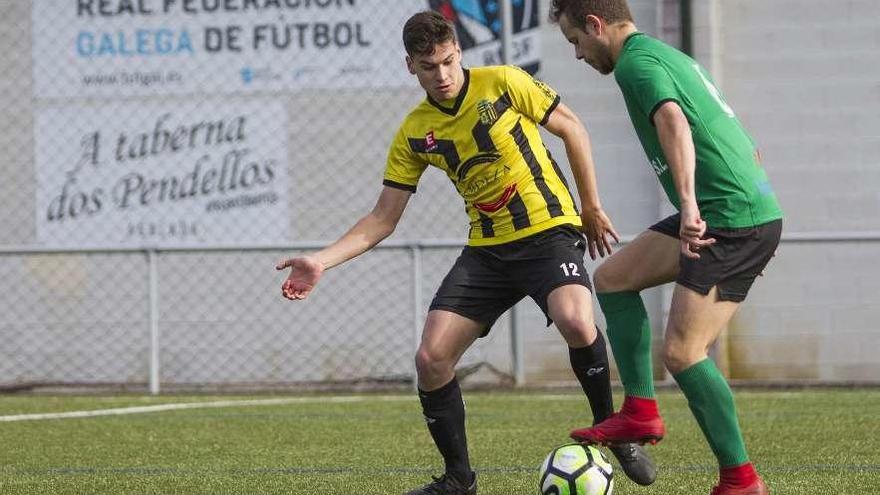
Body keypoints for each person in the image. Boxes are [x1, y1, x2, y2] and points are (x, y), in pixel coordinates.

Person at [276, 9, 656, 495]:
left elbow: (573, 128)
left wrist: (591, 207)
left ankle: (613, 430)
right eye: (430, 66)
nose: (443, 75)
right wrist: (321, 260)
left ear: (460, 53)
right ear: (410, 66)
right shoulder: (414, 132)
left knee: (577, 321)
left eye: (450, 62)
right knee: (431, 357)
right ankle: (459, 479)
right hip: (488, 251)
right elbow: (382, 218)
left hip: (549, 232)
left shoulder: (503, 82)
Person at [549, 2, 784, 495]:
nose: (577, 54)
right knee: (612, 279)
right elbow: (735, 135)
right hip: (736, 210)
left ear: (595, 25)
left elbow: (674, 122)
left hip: (728, 217)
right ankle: (640, 410)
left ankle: (741, 482)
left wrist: (690, 205)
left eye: (575, 41)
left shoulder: (636, 63)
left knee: (683, 352)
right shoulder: (665, 55)